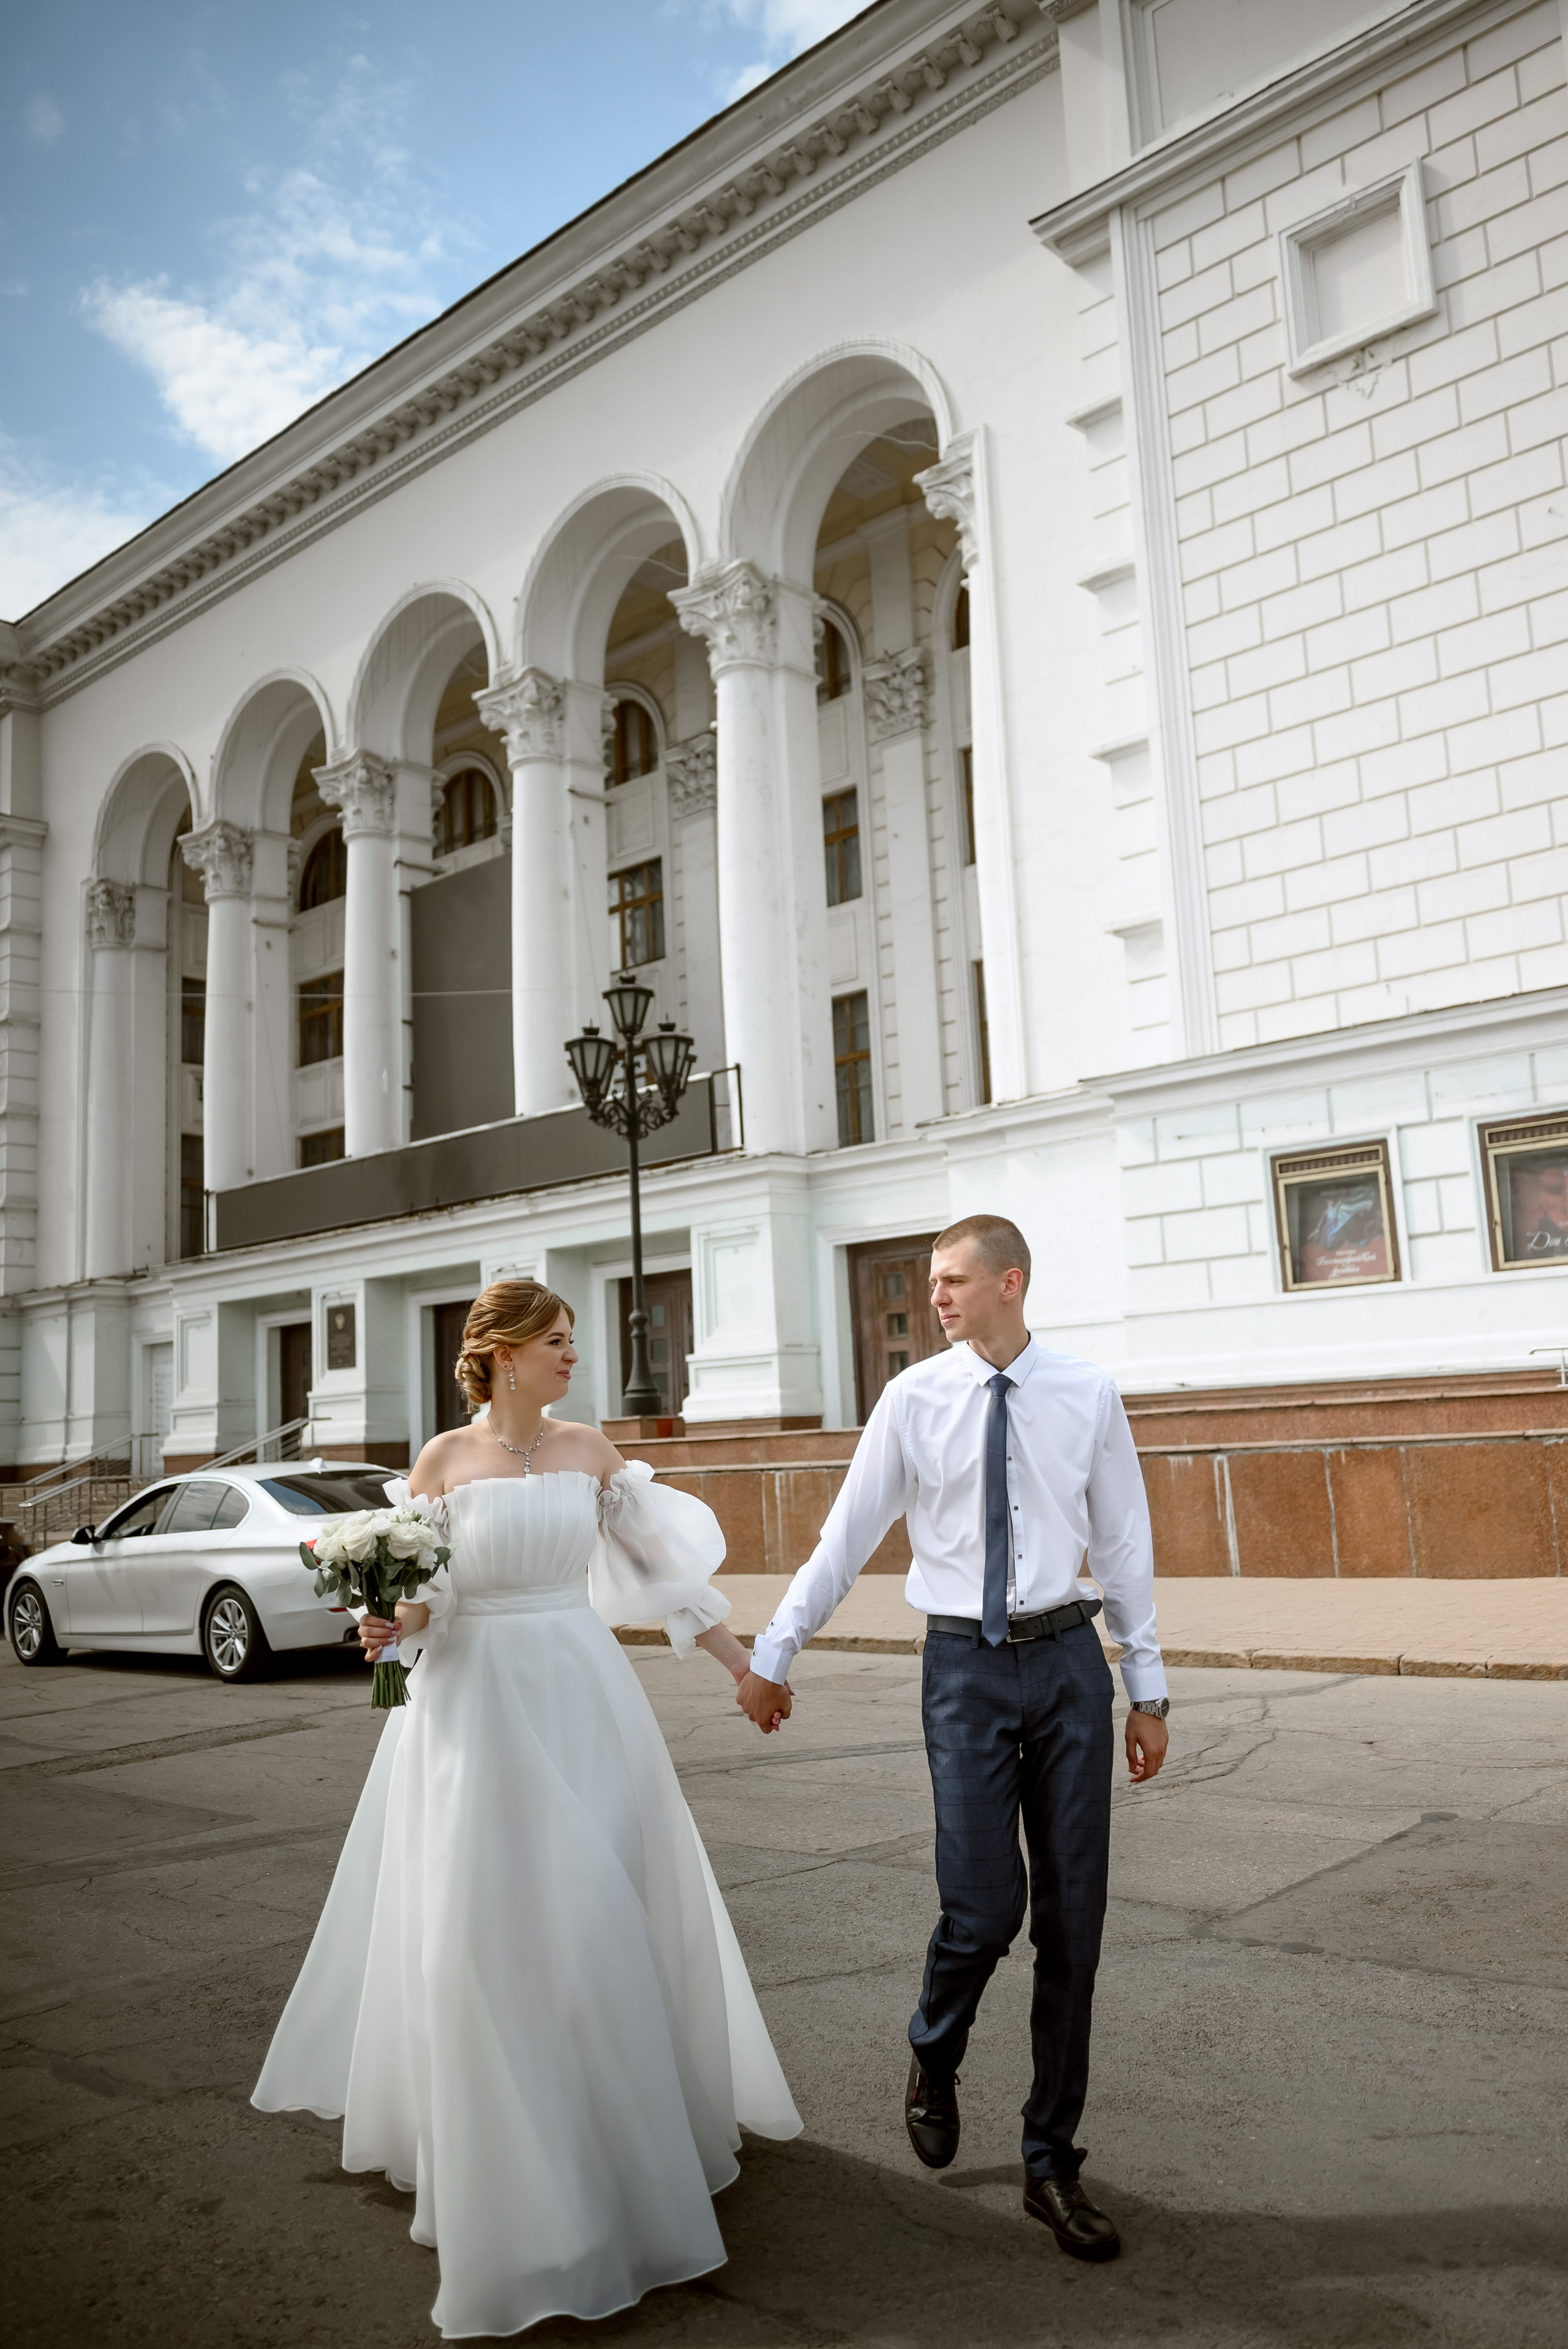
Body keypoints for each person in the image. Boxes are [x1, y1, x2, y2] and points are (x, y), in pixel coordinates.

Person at [252, 1279, 801, 2339]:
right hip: (469, 1716)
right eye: (556, 1342)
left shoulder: (593, 1452)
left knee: (598, 1920)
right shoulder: (441, 1465)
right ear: (502, 1354)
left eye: (571, 1341)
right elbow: (424, 1602)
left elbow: (667, 1582)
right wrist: (386, 1626)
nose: (572, 1357)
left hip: (584, 1699)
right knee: (484, 1932)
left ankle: (614, 2139)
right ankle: (507, 2166)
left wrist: (746, 1668)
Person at [733, 1215, 1168, 2262]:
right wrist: (774, 1651)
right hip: (963, 1669)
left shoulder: (1087, 1393)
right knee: (982, 1908)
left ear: (1009, 1282)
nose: (935, 1297)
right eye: (931, 1282)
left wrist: (1146, 1686)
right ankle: (936, 2046)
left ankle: (1050, 2161)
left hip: (1066, 1662)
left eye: (952, 1279)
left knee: (1074, 1924)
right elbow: (848, 1534)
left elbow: (1123, 1540)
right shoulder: (912, 1399)